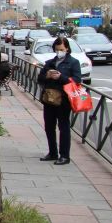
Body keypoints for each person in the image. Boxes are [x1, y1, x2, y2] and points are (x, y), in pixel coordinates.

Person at [37, 36, 82, 165]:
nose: (59, 52)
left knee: (63, 127)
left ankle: (65, 155)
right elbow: (40, 79)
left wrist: (61, 77)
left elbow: (77, 81)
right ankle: (52, 152)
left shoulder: (73, 62)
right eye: (57, 49)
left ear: (67, 48)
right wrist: (47, 75)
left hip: (64, 100)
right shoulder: (50, 62)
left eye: (61, 49)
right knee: (49, 126)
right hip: (49, 99)